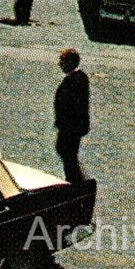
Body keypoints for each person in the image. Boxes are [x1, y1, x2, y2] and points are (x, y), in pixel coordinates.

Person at [54, 47, 91, 187]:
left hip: (70, 128)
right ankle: (75, 182)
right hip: (71, 127)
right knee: (69, 156)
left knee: (68, 156)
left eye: (62, 61)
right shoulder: (79, 78)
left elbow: (72, 106)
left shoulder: (74, 80)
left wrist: (64, 125)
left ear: (70, 62)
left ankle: (75, 184)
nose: (60, 64)